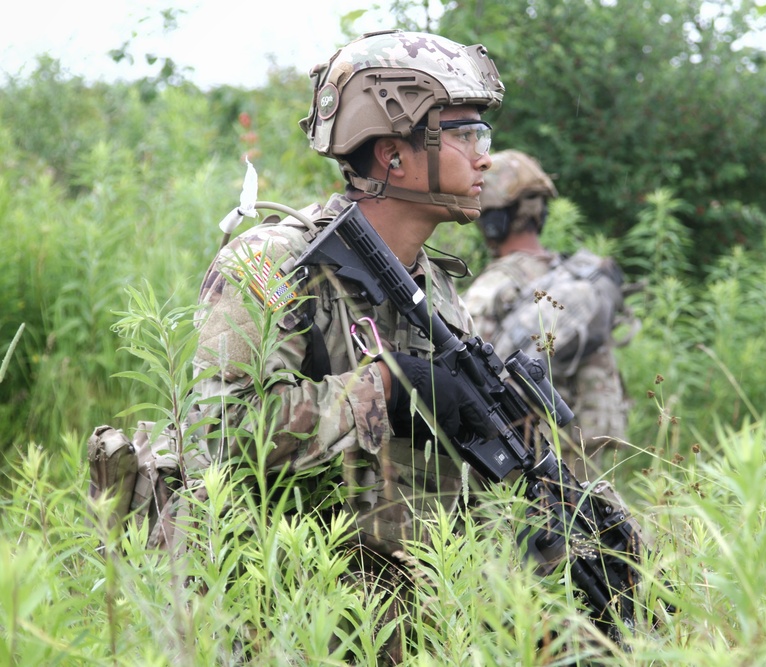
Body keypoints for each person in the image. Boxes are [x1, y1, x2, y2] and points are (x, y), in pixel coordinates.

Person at [151, 29, 505, 662]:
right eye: (464, 134)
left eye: (485, 136)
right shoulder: (273, 263)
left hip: (394, 614)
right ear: (393, 153)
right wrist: (387, 389)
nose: (485, 158)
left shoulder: (435, 284)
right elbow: (221, 431)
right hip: (276, 611)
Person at [462, 150, 631, 471]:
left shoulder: (496, 285)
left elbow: (468, 367)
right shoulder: (576, 274)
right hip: (585, 442)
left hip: (527, 449)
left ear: (492, 222)